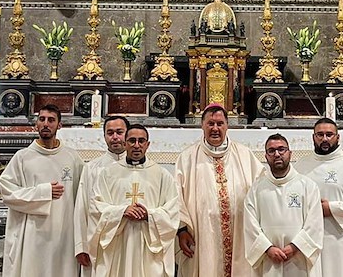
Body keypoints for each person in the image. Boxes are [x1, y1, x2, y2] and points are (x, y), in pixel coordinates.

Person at [175, 102, 264, 277]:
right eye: (210, 123)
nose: (215, 128)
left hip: (241, 234)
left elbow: (262, 190)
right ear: (202, 125)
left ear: (227, 126)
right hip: (201, 237)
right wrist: (182, 230)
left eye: (220, 123)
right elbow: (176, 197)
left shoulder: (245, 155)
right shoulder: (187, 158)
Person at [0, 104, 84, 277]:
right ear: (36, 124)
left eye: (51, 120)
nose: (46, 124)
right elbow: (7, 191)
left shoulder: (72, 157)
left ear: (59, 125)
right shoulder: (22, 157)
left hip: (64, 231)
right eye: (42, 119)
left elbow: (83, 194)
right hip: (32, 232)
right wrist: (43, 192)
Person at [89, 124, 179, 276]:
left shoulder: (162, 175)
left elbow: (173, 210)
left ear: (147, 145)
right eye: (132, 141)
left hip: (149, 246)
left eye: (141, 141)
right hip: (118, 245)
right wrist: (122, 211)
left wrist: (149, 215)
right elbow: (96, 207)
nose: (136, 145)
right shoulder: (108, 173)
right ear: (125, 143)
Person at [295, 118, 343, 276]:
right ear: (313, 137)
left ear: (338, 137)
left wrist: (331, 208)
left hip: (341, 239)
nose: (324, 139)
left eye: (329, 134)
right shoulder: (301, 165)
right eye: (320, 134)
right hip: (308, 237)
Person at [244, 133, 323, 276]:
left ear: (290, 153)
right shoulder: (256, 189)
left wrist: (296, 246)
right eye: (271, 151)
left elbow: (315, 223)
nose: (277, 154)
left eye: (282, 149)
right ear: (266, 156)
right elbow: (250, 225)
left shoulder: (307, 186)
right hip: (268, 259)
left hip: (299, 259)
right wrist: (267, 248)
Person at [74, 115, 129, 276]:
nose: (115, 137)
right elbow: (81, 208)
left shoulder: (141, 167)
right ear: (104, 136)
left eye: (119, 132)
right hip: (98, 242)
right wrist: (81, 246)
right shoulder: (92, 168)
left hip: (129, 241)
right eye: (110, 133)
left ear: (128, 133)